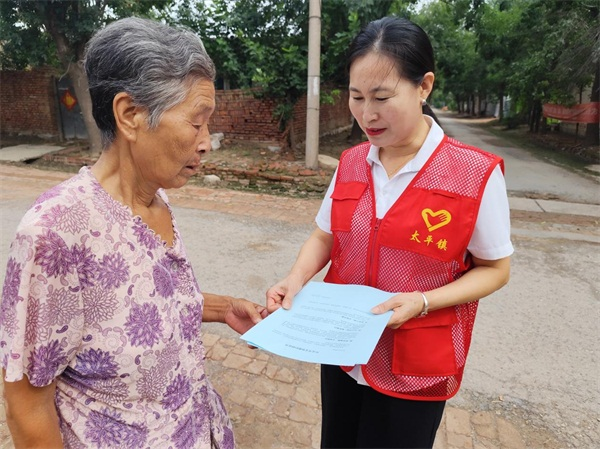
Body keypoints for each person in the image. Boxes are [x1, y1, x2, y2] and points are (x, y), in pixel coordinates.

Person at [0, 17, 267, 449]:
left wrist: (221, 309)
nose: (206, 143)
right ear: (130, 115)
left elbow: (137, 305)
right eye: (196, 123)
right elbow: (27, 407)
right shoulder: (54, 234)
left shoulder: (156, 200)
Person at [266, 16, 513, 449]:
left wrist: (422, 302)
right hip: (342, 350)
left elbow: (495, 269)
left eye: (382, 97)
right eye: (357, 97)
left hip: (416, 361)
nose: (367, 113)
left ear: (424, 86)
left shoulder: (474, 173)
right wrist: (295, 278)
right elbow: (326, 236)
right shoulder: (351, 162)